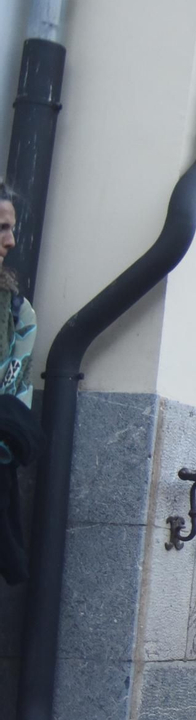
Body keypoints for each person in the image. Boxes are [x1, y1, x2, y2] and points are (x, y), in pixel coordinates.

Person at [0, 181, 42, 588]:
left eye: (11, 228)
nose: (11, 241)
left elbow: (15, 414)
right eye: (1, 228)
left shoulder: (17, 312)